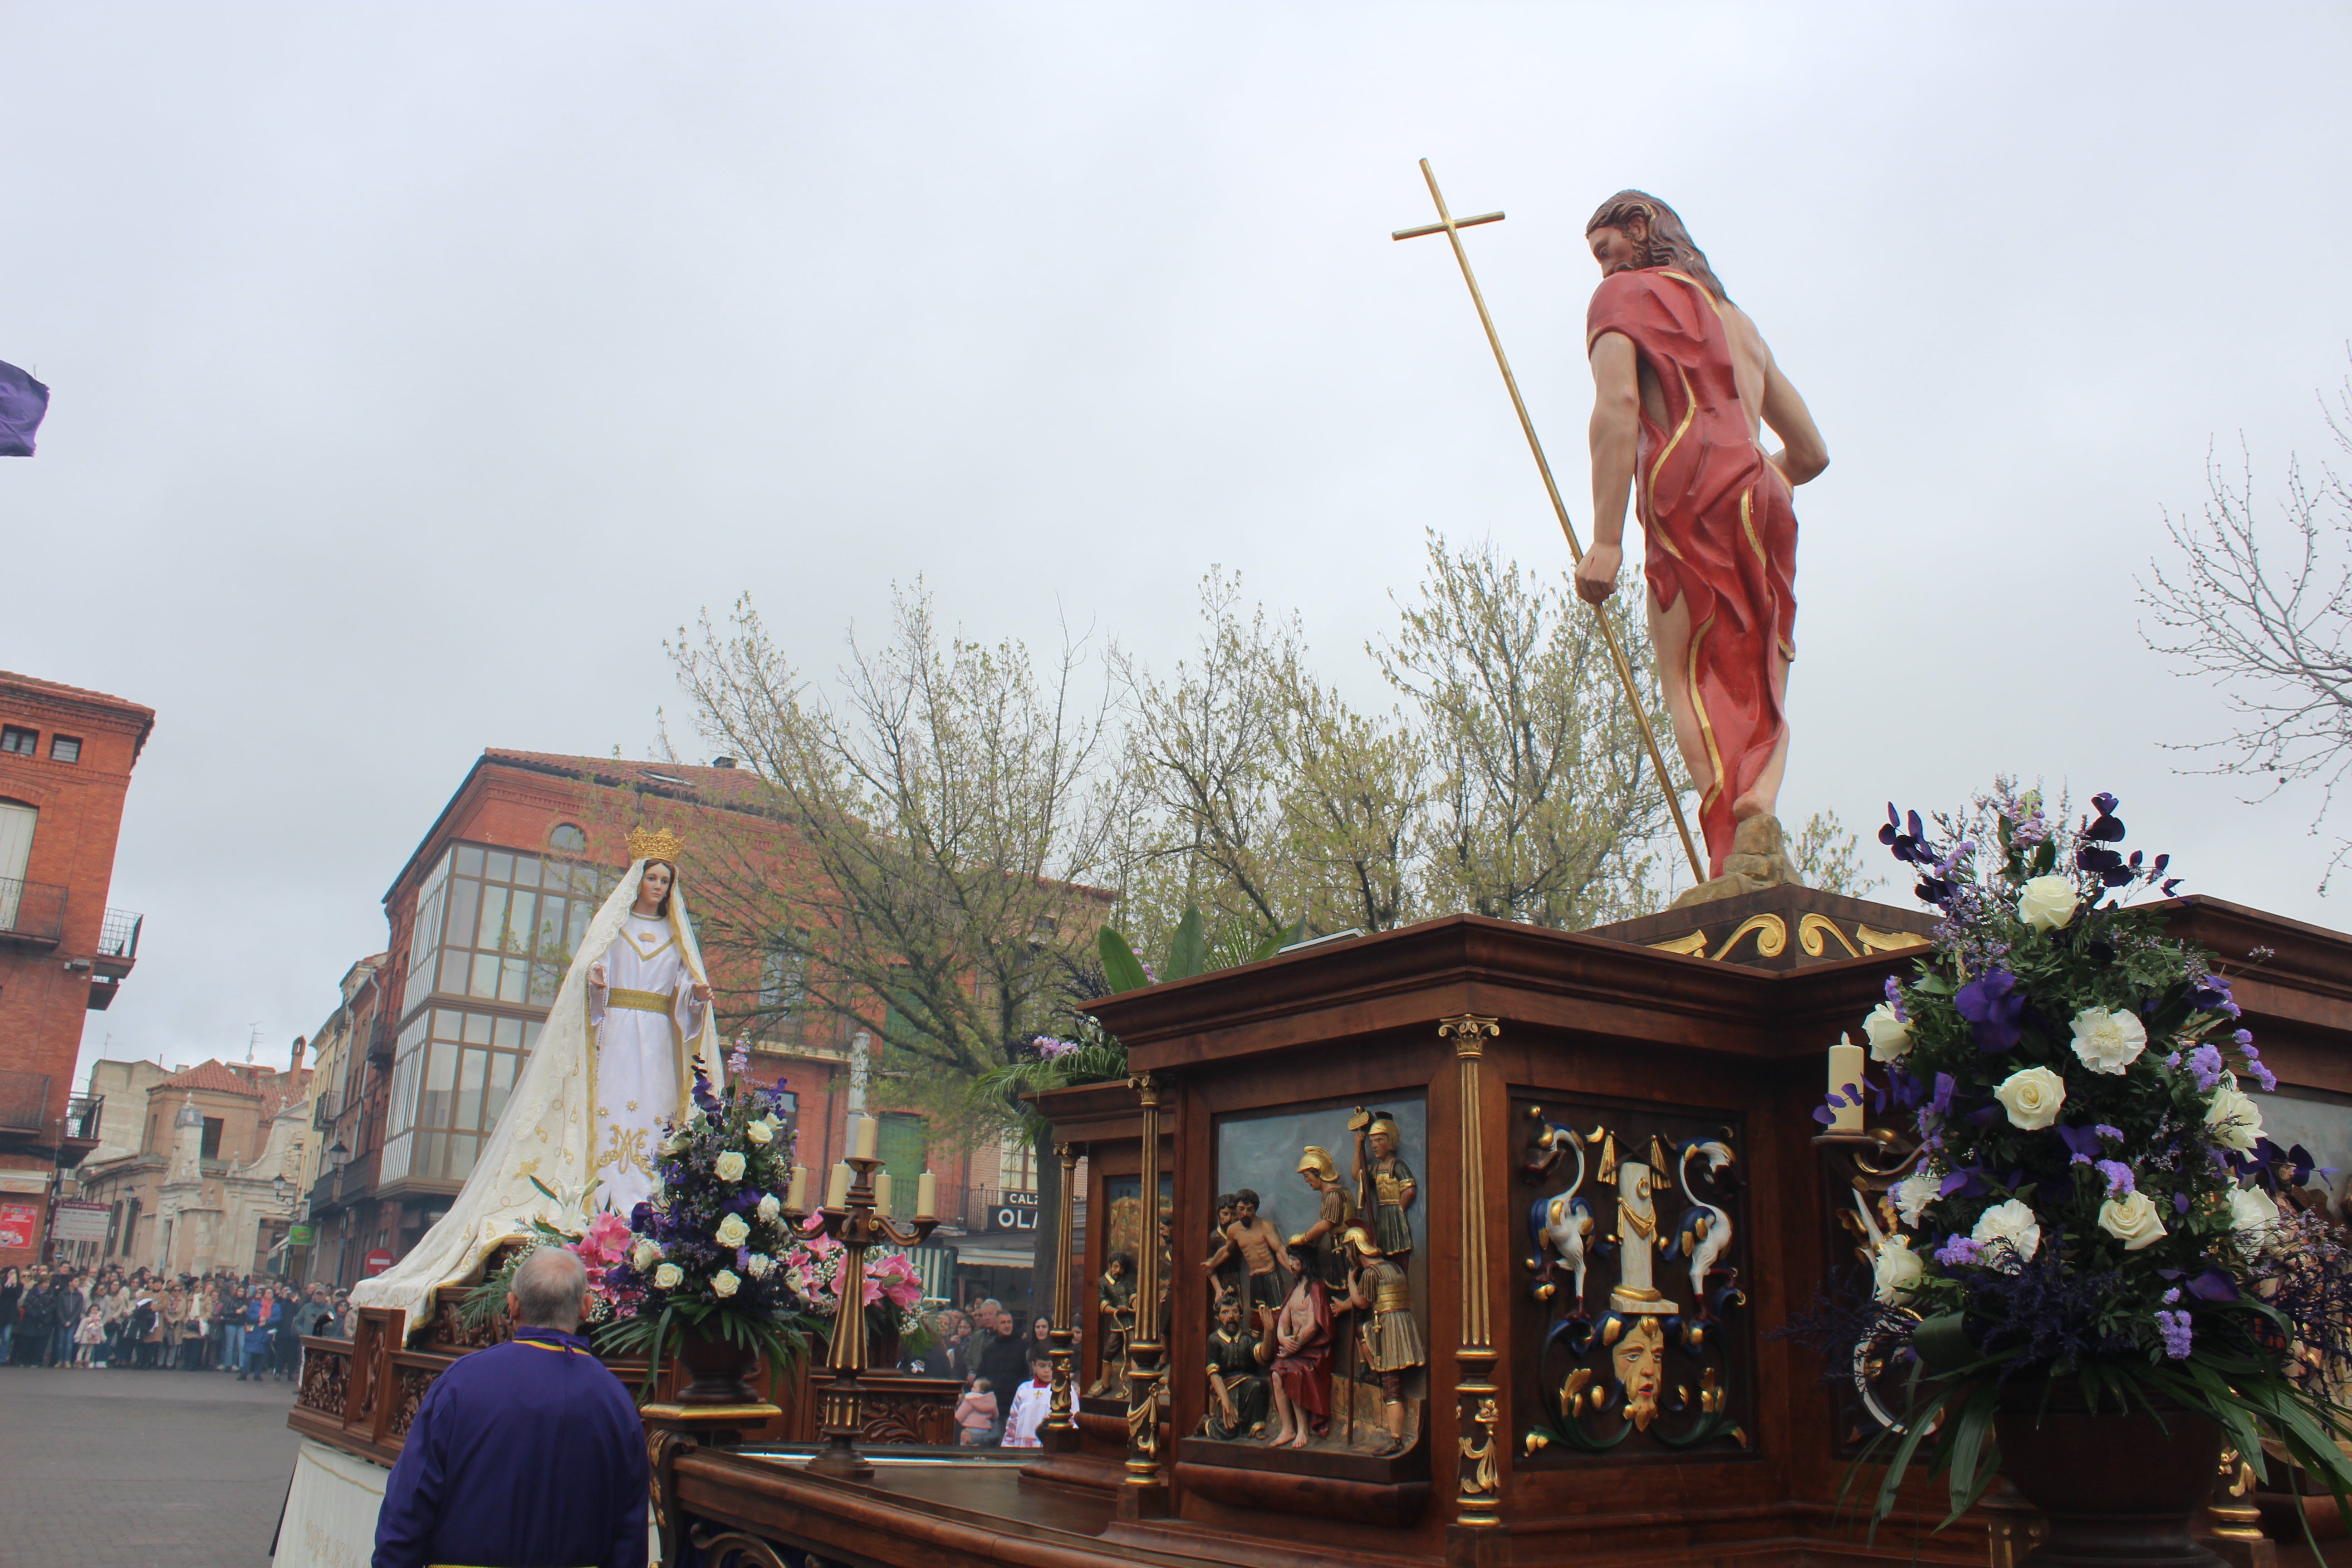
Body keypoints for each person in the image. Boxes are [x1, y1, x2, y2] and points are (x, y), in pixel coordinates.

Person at [354, 833, 727, 1330]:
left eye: (665, 880)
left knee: (657, 1117)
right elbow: (591, 972)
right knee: (609, 1110)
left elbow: (683, 990)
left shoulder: (678, 938)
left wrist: (696, 995)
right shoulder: (612, 927)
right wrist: (597, 985)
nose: (658, 886)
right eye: (652, 878)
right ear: (638, 881)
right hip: (616, 1032)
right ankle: (602, 1201)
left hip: (657, 1038)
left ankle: (647, 1202)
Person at [1573, 191, 1829, 901]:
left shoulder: (1623, 299)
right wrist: (1755, 483)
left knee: (1689, 670)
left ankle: (1729, 847)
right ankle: (1759, 815)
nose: (1601, 269)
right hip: (1762, 493)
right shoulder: (1738, 322)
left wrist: (1605, 540)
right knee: (1762, 664)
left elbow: (1618, 409)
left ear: (1639, 230)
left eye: (1604, 250)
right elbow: (1809, 454)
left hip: (1688, 492)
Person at [372, 1248, 649, 1568]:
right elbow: (630, 1531)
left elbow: (411, 1502)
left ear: (512, 1305)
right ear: (586, 1308)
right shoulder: (616, 1400)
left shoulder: (462, 1384)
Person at [1340, 1225, 1424, 1455]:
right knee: (1361, 1332)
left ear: (1355, 1249)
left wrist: (1350, 1279)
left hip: (1388, 1329)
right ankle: (1368, 1367)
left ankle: (1396, 1438)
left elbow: (1362, 1303)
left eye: (1348, 1250)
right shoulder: (1392, 1268)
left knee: (1391, 1388)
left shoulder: (1371, 1273)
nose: (1348, 1255)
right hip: (1402, 1327)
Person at [1264, 1240, 1333, 1451]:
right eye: (1291, 1259)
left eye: (1295, 1260)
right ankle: (1288, 1428)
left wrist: (1297, 1344)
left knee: (1293, 1374)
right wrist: (1283, 1339)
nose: (1292, 1264)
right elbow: (1283, 1320)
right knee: (1277, 1374)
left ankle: (1303, 1429)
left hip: (1312, 1352)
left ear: (1306, 1262)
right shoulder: (1295, 1289)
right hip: (1294, 1349)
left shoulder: (1316, 1287)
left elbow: (1314, 1324)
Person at [971, 1301, 1028, 1442]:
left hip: (1014, 1404)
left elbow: (1027, 1375)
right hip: (993, 1405)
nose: (1007, 1326)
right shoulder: (990, 1350)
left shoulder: (1023, 1347)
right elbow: (981, 1376)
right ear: (996, 1326)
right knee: (993, 1441)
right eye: (1003, 1323)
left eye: (1009, 1322)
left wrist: (1016, 1388)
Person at [1002, 1356, 1054, 1448]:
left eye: (1051, 1367)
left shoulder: (1065, 1391)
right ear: (1034, 1366)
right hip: (1023, 1448)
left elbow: (1072, 1423)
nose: (1047, 1371)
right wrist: (1008, 1447)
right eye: (1042, 1366)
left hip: (1049, 1448)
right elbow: (1013, 1421)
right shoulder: (1024, 1389)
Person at [953, 1377, 999, 1447]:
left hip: (970, 1430)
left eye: (974, 1388)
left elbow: (960, 1416)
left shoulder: (970, 1399)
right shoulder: (992, 1400)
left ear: (981, 1390)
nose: (972, 1389)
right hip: (985, 1431)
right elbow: (996, 1416)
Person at [0, 1265, 20, 1365]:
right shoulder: (3, 1284)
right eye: (11, 1273)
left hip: (10, 1315)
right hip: (1, 1313)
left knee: (6, 1338)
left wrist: (15, 1284)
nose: (13, 1275)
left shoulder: (19, 1285)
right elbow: (2, 1294)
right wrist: (7, 1283)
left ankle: (2, 1359)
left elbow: (17, 1296)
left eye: (14, 1273)